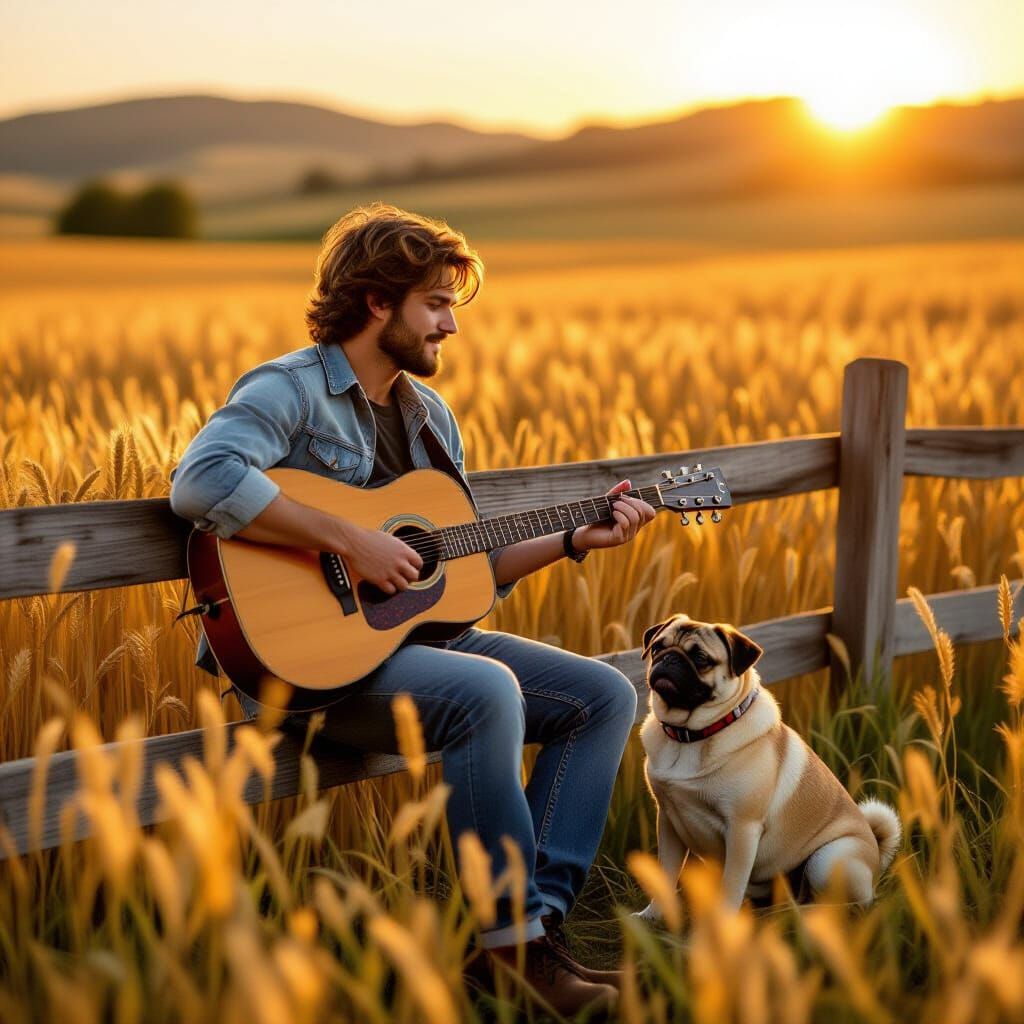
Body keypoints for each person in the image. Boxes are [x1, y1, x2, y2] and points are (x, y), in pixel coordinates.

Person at [169, 202, 656, 1016]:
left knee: (605, 694)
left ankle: (533, 937)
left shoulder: (432, 421)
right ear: (377, 302)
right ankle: (512, 949)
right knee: (486, 691)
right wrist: (349, 543)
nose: (450, 328)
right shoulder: (289, 387)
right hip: (306, 670)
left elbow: (464, 574)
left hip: (418, 648)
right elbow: (204, 480)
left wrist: (575, 538)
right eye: (436, 305)